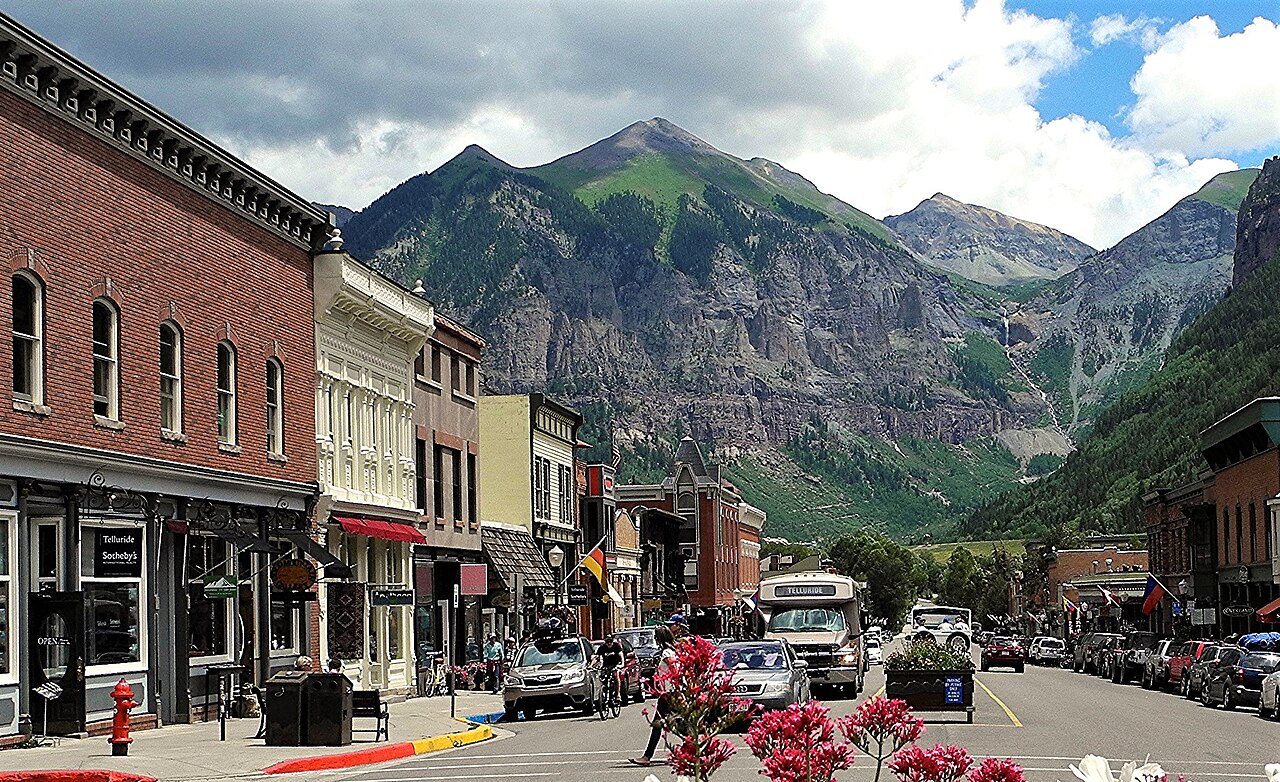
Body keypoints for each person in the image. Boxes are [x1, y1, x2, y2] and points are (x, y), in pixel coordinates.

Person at [629, 625, 677, 768]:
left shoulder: (667, 653)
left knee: (659, 724)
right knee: (679, 724)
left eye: (657, 637)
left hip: (669, 694)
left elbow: (674, 671)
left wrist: (673, 688)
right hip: (669, 692)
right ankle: (693, 752)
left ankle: (647, 757)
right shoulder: (672, 651)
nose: (655, 639)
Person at [596, 635, 626, 703]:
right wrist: (591, 665)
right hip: (606, 665)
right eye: (607, 641)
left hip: (615, 664)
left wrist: (622, 664)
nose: (609, 643)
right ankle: (603, 692)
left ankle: (618, 694)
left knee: (615, 675)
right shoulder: (602, 648)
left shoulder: (616, 646)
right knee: (602, 677)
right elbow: (597, 657)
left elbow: (621, 655)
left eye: (610, 641)